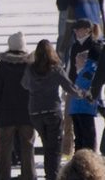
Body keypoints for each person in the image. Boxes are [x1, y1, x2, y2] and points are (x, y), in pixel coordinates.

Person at [21, 39, 90, 180]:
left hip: (35, 112)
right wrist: (83, 94)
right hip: (52, 111)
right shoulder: (55, 69)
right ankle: (53, 176)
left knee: (47, 145)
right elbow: (70, 88)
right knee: (54, 148)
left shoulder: (30, 69)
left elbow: (25, 85)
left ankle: (51, 174)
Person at [0, 32, 36, 180]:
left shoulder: (1, 66)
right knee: (27, 148)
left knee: (5, 150)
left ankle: (3, 177)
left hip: (6, 115)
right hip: (27, 114)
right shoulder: (30, 66)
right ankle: (29, 176)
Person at [69, 48, 99, 151]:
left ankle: (78, 160)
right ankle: (89, 160)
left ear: (84, 61)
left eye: (77, 62)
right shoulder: (90, 71)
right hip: (85, 109)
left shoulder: (86, 71)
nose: (75, 65)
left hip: (76, 108)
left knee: (79, 139)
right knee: (89, 139)